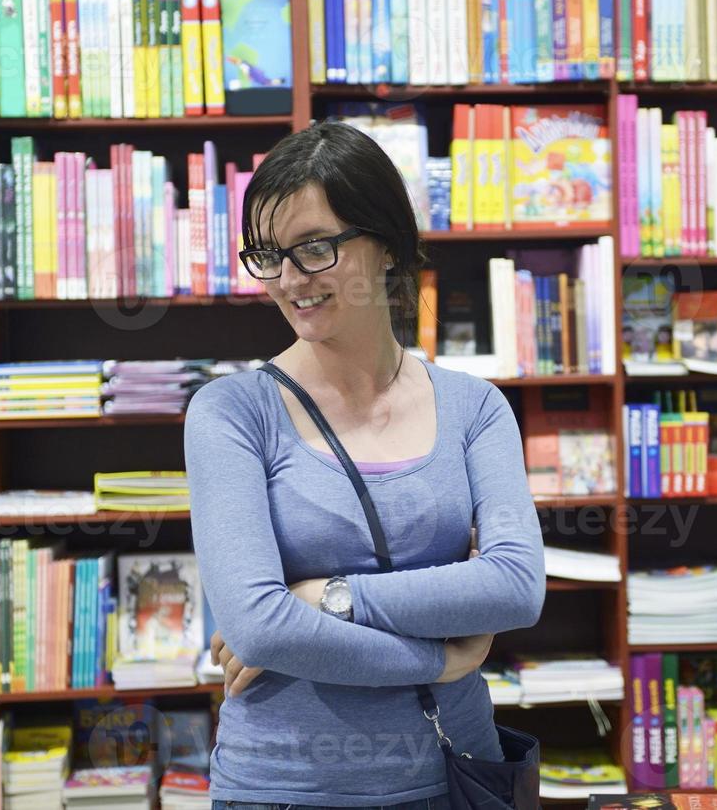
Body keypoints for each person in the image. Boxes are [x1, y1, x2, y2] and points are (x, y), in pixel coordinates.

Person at [185, 121, 546, 810]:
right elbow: (259, 627)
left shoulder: (476, 409)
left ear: (386, 245)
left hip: (457, 772)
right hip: (287, 785)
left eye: (314, 249)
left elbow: (515, 585)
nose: (289, 280)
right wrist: (445, 657)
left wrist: (320, 597)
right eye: (268, 255)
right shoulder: (230, 413)